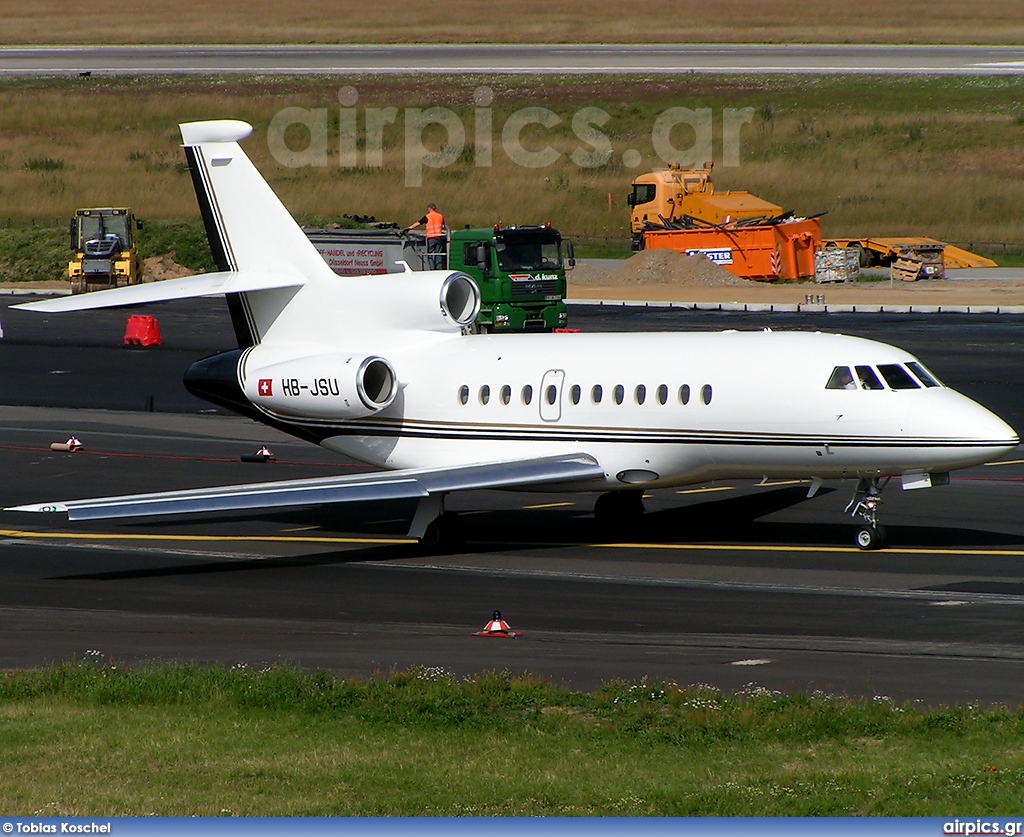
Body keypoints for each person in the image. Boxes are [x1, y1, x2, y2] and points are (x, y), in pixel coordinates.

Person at [408, 203, 447, 269]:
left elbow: (418, 223)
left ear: (429, 209)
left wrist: (409, 228)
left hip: (431, 237)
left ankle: (432, 269)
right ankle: (439, 268)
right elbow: (443, 226)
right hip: (439, 237)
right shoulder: (440, 216)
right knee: (438, 254)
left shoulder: (427, 216)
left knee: (430, 254)